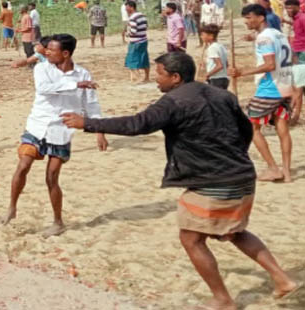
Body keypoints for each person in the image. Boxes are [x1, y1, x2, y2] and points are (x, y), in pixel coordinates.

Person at [61, 52, 299, 310]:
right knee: (234, 232)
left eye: (160, 74)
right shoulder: (223, 95)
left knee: (191, 239)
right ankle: (282, 279)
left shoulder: (172, 102)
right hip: (242, 176)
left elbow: (137, 124)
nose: (156, 80)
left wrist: (88, 123)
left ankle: (223, 299)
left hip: (212, 183)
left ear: (175, 77)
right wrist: (232, 159)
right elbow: (244, 132)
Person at [0, 34, 106, 238]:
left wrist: (99, 131)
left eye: (51, 50)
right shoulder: (42, 68)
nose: (46, 52)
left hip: (61, 129)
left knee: (52, 177)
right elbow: (44, 89)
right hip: (37, 125)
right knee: (23, 166)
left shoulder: (83, 74)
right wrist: (76, 85)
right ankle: (12, 208)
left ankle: (58, 222)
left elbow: (92, 106)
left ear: (65, 53)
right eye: (46, 49)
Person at [229, 4, 294, 183]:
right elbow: (291, 58)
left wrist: (243, 72)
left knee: (252, 128)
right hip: (285, 84)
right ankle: (287, 172)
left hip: (269, 88)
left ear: (260, 18)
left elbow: (270, 64)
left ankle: (273, 168)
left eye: (249, 18)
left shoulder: (264, 38)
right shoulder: (279, 34)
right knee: (283, 128)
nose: (246, 21)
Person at [124, 0, 150, 82]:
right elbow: (146, 26)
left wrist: (127, 34)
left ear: (131, 7)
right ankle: (146, 77)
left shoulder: (132, 18)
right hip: (144, 40)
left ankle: (136, 78)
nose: (126, 9)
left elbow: (133, 31)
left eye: (127, 7)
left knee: (132, 60)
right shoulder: (142, 15)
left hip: (135, 41)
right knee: (144, 58)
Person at [200, 24, 229, 90]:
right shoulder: (221, 46)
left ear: (211, 36)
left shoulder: (212, 48)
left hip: (216, 79)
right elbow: (226, 64)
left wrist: (207, 74)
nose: (201, 36)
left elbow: (219, 65)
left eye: (203, 35)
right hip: (224, 78)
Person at [282, 0, 305, 64]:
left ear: (298, 7)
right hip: (297, 48)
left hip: (302, 50)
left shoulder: (303, 18)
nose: (288, 10)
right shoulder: (295, 18)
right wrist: (286, 21)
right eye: (287, 8)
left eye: (290, 8)